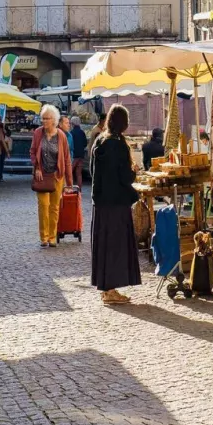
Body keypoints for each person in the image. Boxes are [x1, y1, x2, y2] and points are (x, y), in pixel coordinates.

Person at [89, 104, 142, 304]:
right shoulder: (118, 144)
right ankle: (110, 290)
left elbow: (95, 173)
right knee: (115, 247)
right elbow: (124, 177)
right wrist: (134, 170)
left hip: (101, 203)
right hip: (117, 203)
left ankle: (106, 288)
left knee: (104, 246)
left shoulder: (100, 141)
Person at [30, 104, 74, 248]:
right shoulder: (38, 133)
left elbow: (67, 159)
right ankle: (43, 237)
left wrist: (69, 182)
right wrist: (36, 167)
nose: (44, 121)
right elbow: (32, 151)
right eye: (42, 118)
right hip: (42, 176)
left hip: (57, 176)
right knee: (43, 205)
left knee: (54, 207)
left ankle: (52, 237)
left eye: (47, 119)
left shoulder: (61, 136)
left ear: (54, 120)